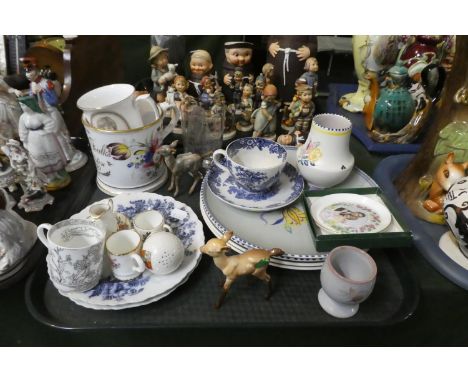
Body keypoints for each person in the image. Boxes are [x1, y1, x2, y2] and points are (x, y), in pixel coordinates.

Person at [17, 96, 70, 190]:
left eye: (24, 105)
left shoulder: (39, 115)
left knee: (51, 153)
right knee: (39, 156)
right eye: (21, 105)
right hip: (33, 139)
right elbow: (22, 130)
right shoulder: (23, 118)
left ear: (30, 105)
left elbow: (50, 122)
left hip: (46, 138)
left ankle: (60, 173)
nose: (23, 107)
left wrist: (46, 131)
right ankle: (50, 176)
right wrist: (24, 140)